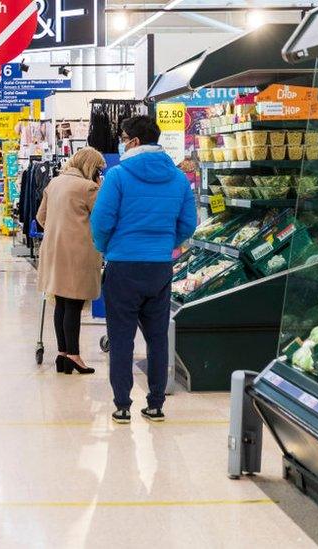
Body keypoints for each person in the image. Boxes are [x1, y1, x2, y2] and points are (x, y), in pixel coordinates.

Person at [91, 115, 196, 425]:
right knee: (157, 337)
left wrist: (107, 248)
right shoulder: (178, 178)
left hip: (123, 266)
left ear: (134, 142)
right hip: (160, 267)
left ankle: (122, 405)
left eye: (124, 137)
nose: (122, 142)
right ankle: (155, 404)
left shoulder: (118, 176)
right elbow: (187, 224)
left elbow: (101, 222)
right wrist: (164, 245)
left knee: (121, 338)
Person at [36, 147, 106, 376]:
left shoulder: (55, 183)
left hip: (54, 250)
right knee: (74, 304)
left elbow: (40, 217)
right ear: (90, 166)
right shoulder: (88, 188)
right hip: (77, 251)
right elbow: (102, 218)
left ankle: (63, 354)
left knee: (61, 302)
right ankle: (75, 356)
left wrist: (59, 229)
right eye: (98, 168)